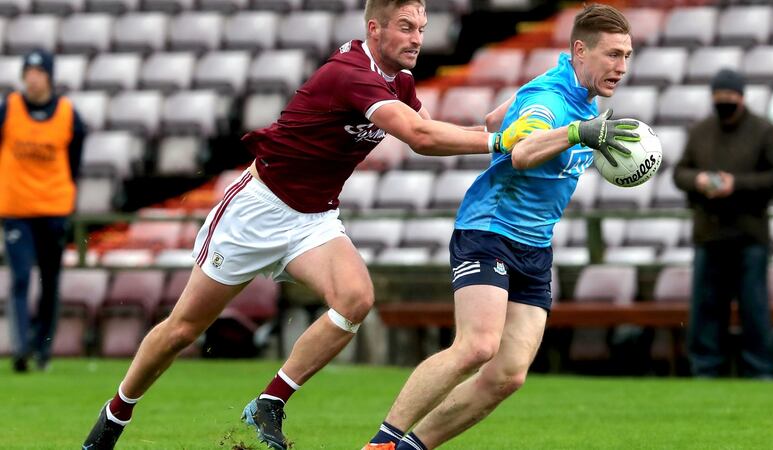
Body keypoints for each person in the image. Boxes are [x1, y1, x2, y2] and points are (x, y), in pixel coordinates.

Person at [80, 0, 548, 448]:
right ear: (375, 28)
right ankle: (117, 411)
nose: (417, 39)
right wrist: (500, 141)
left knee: (355, 299)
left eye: (422, 29)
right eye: (406, 26)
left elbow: (435, 129)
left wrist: (516, 140)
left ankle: (270, 401)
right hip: (257, 210)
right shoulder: (351, 74)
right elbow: (420, 138)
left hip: (313, 218)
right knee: (183, 329)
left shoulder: (398, 81)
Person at [364, 4, 639, 449]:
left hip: (535, 245)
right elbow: (522, 153)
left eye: (627, 55)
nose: (621, 67)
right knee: (476, 347)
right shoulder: (549, 102)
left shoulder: (569, 94)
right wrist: (575, 134)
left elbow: (495, 121)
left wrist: (531, 119)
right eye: (612, 55)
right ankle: (380, 443)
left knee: (508, 375)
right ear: (579, 52)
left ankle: (409, 449)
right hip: (490, 231)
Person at [673, 68, 773, 379]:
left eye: (729, 97)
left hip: (749, 236)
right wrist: (698, 180)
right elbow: (679, 172)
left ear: (741, 97)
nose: (724, 102)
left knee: (754, 310)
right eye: (719, 97)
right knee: (706, 310)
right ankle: (706, 370)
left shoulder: (764, 131)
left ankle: (760, 370)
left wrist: (735, 184)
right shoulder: (700, 131)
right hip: (709, 234)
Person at [0, 49, 85, 373]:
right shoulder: (8, 108)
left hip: (53, 208)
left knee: (50, 281)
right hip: (16, 209)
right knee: (20, 277)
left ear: (49, 76)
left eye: (38, 72)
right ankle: (21, 348)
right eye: (28, 72)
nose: (32, 78)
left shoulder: (68, 114)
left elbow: (73, 161)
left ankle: (42, 349)